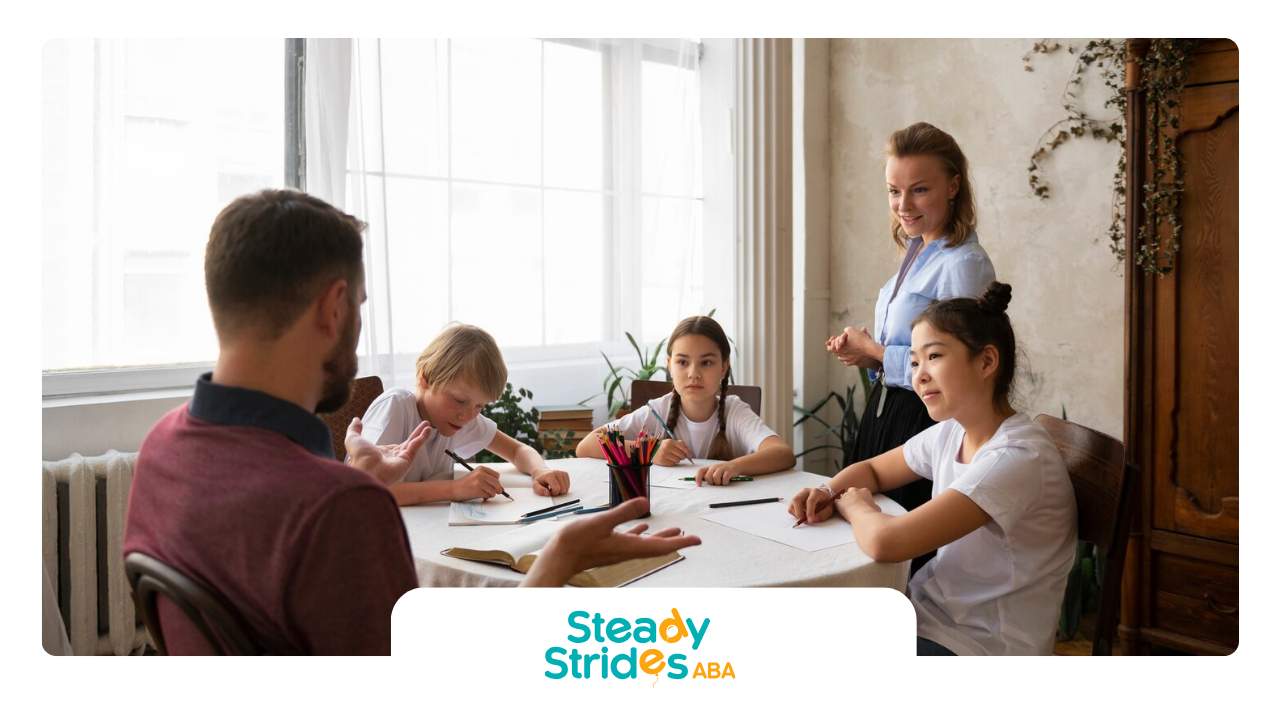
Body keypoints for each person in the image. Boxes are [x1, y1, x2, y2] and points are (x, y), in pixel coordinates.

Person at [123, 189, 699, 655]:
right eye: (362, 305)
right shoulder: (337, 509)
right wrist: (558, 561)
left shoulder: (160, 449)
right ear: (333, 307)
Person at [791, 282, 1076, 656]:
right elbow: (873, 471)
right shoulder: (953, 431)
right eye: (913, 362)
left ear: (988, 361)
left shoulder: (1016, 457)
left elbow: (885, 542)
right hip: (929, 617)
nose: (919, 375)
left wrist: (854, 504)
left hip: (979, 645)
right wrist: (829, 491)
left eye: (934, 356)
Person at [826, 121, 997, 575]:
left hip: (923, 418)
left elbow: (953, 365)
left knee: (902, 553)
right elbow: (913, 351)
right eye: (893, 191)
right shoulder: (918, 251)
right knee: (863, 541)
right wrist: (867, 356)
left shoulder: (964, 263)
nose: (903, 205)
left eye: (919, 190)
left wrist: (879, 354)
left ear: (954, 186)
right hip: (886, 412)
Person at [358, 324, 571, 506]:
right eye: (460, 400)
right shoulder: (396, 406)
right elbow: (366, 490)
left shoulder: (456, 418)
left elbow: (517, 451)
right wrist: (455, 489)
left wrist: (540, 470)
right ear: (426, 378)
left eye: (480, 406)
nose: (468, 415)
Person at [576, 315, 795, 485]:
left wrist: (735, 467)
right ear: (670, 365)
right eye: (683, 362)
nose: (693, 373)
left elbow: (782, 454)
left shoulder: (734, 411)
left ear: (724, 366)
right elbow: (586, 446)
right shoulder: (657, 410)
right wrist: (649, 451)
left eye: (706, 363)